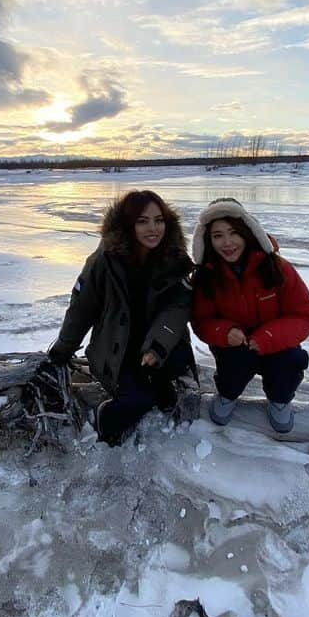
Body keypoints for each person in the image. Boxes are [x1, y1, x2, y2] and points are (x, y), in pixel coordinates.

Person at [48, 190, 195, 445]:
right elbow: (81, 309)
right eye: (143, 221)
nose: (153, 228)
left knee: (167, 399)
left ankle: (156, 379)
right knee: (138, 400)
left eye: (159, 220)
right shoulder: (105, 261)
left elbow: (178, 308)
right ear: (129, 225)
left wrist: (158, 346)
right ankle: (103, 417)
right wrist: (62, 351)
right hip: (117, 348)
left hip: (159, 346)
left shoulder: (174, 259)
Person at [190, 198, 309, 433]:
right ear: (208, 240)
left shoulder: (277, 268)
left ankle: (279, 400)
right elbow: (201, 321)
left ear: (248, 233)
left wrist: (268, 337)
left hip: (276, 343)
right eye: (217, 235)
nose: (227, 243)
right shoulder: (206, 277)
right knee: (234, 364)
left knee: (289, 362)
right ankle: (228, 395)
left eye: (233, 233)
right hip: (233, 346)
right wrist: (225, 332)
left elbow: (305, 315)